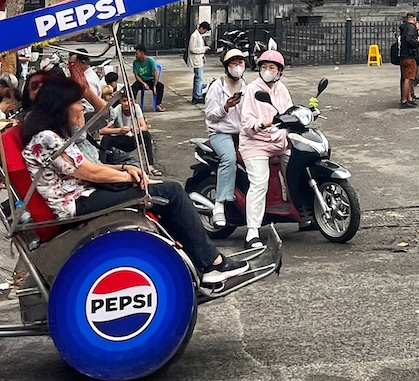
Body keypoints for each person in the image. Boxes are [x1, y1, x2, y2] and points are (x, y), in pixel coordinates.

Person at [18, 75, 245, 285]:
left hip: (84, 193)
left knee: (162, 193)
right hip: (75, 203)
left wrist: (126, 169)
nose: (81, 108)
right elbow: (90, 173)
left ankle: (196, 261)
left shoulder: (54, 134)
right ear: (62, 107)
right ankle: (212, 263)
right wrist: (129, 177)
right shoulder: (46, 138)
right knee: (173, 192)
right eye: (77, 103)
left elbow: (91, 168)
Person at [237, 46, 299, 246]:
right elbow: (246, 123)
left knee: (299, 169)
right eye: (264, 66)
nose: (267, 70)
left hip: (279, 140)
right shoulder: (252, 90)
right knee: (259, 184)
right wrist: (260, 123)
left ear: (279, 71)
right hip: (256, 143)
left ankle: (306, 214)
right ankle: (252, 232)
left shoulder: (281, 88)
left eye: (272, 67)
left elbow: (289, 111)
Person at [202, 47, 247, 230]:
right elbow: (210, 115)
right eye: (233, 64)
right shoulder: (217, 87)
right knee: (229, 159)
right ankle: (219, 205)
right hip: (220, 133)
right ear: (227, 67)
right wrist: (225, 107)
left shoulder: (247, 86)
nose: (237, 67)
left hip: (243, 133)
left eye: (240, 63)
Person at [96, 89, 155, 166]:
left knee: (146, 134)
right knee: (106, 139)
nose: (127, 104)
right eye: (124, 101)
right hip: (120, 139)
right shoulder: (116, 110)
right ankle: (102, 165)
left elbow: (144, 126)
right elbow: (102, 130)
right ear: (121, 101)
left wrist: (137, 129)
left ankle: (150, 165)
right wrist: (119, 130)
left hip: (132, 139)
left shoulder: (136, 108)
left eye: (130, 101)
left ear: (133, 102)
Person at [397, 12, 419, 107]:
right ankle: (404, 100)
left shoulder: (403, 28)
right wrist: (416, 43)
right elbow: (409, 39)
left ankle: (409, 98)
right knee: (408, 78)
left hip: (403, 56)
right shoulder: (411, 27)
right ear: (413, 18)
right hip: (410, 56)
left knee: (406, 77)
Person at [131, 45, 165, 112]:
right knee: (133, 87)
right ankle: (133, 104)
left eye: (136, 53)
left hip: (151, 79)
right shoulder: (135, 62)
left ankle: (158, 104)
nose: (135, 55)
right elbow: (136, 75)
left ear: (142, 53)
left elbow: (156, 73)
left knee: (160, 86)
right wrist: (143, 83)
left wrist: (154, 86)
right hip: (141, 80)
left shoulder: (150, 60)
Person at [187, 20, 211, 104]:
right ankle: (197, 96)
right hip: (196, 60)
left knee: (198, 78)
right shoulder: (194, 36)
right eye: (204, 30)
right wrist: (203, 49)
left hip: (199, 59)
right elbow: (192, 49)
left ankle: (196, 95)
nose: (204, 32)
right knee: (198, 78)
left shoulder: (198, 36)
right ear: (201, 28)